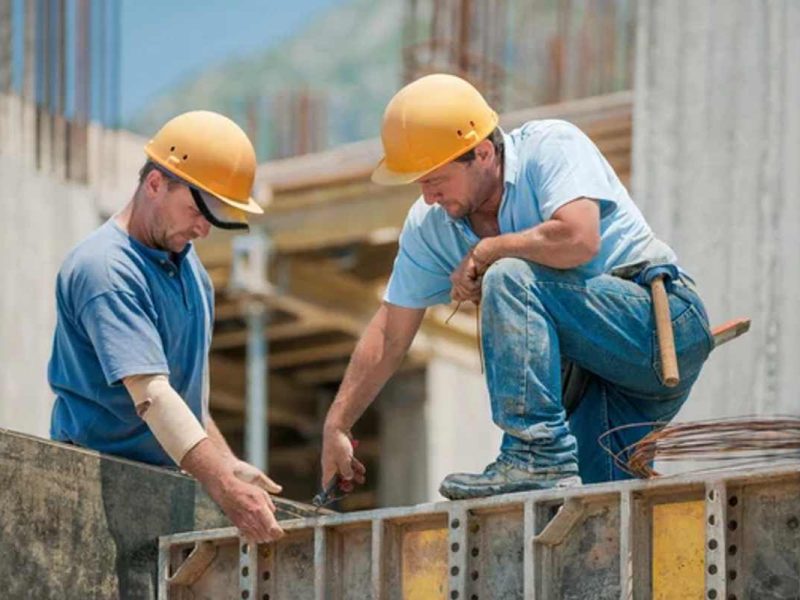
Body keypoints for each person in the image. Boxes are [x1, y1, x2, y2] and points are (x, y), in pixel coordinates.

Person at [320, 73, 713, 500]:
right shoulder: (431, 226)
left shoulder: (550, 148)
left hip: (659, 326)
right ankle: (545, 464)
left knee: (509, 275)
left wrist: (491, 249)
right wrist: (337, 423)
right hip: (596, 381)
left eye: (436, 180)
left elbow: (580, 239)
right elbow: (389, 332)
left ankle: (535, 456)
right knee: (599, 517)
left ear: (483, 153)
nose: (429, 196)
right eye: (420, 184)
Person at [48, 111, 284, 542]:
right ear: (155, 184)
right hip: (90, 490)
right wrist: (222, 487)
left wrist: (227, 464)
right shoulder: (106, 270)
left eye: (213, 217)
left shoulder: (192, 273)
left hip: (156, 489)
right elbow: (153, 396)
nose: (203, 229)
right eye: (197, 210)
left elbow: (184, 401)